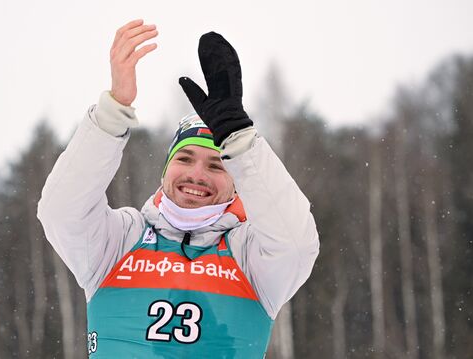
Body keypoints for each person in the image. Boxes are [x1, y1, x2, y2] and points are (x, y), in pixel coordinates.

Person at [37, 19, 320, 358]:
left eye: (216, 165)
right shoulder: (121, 240)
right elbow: (62, 212)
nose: (197, 174)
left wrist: (241, 142)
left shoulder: (250, 255)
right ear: (165, 169)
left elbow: (296, 246)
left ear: (236, 182)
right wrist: (114, 109)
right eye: (184, 158)